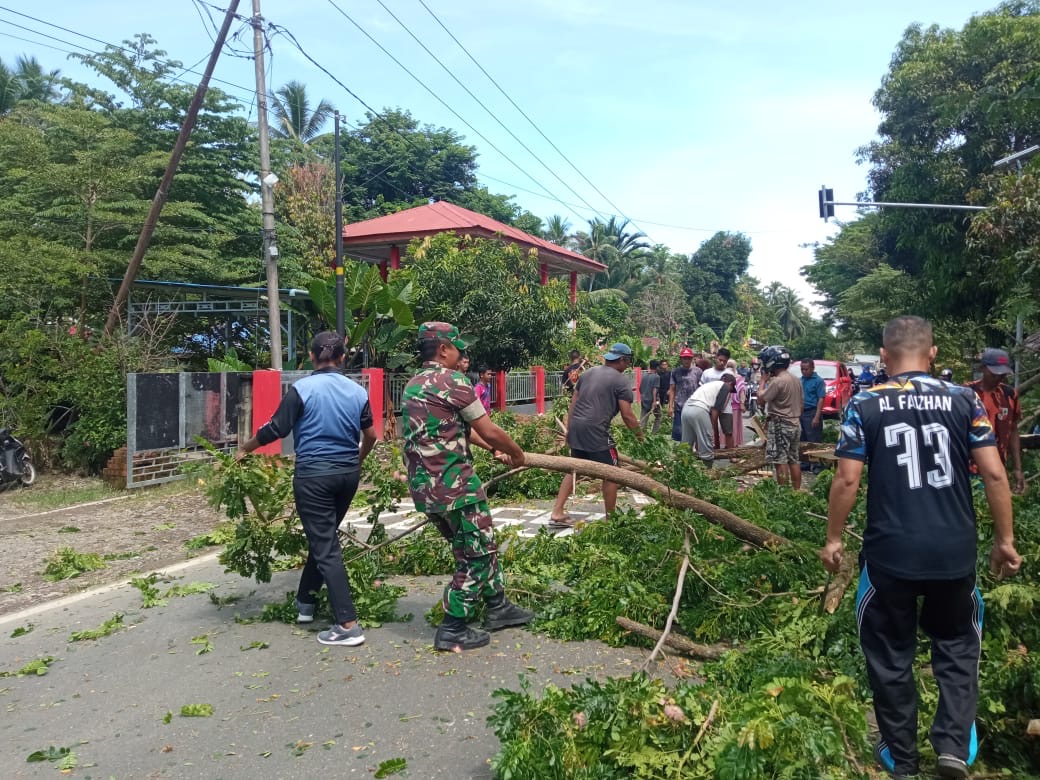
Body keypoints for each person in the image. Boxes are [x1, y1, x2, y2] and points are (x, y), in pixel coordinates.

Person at [819, 316, 1021, 780]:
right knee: (957, 644)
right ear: (932, 355)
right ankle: (952, 747)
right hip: (954, 551)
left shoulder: (865, 403)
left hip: (891, 554)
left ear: (884, 356)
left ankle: (901, 757)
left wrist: (833, 539)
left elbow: (847, 478)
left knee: (890, 653)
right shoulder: (964, 399)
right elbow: (993, 474)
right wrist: (1004, 541)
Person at [236, 331, 377, 647]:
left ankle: (347, 625)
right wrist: (357, 460)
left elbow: (276, 429)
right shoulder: (358, 391)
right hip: (346, 476)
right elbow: (371, 435)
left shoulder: (301, 389)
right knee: (323, 537)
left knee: (325, 545)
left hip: (313, 476)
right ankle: (306, 603)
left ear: (312, 357)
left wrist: (246, 448)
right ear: (341, 358)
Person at [401, 322, 534, 652]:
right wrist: (518, 454)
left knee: (476, 544)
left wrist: (493, 450)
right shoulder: (454, 381)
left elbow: (458, 427)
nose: (462, 355)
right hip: (455, 486)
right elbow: (487, 428)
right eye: (457, 348)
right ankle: (453, 627)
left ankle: (498, 605)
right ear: (444, 349)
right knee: (476, 555)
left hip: (426, 488)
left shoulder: (414, 385)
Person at [550, 342, 643, 527]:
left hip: (576, 427)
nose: (627, 365)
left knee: (574, 467)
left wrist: (569, 430)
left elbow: (573, 403)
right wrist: (641, 437)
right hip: (596, 431)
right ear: (623, 360)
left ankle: (557, 511)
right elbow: (627, 415)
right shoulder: (621, 381)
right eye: (628, 361)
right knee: (612, 473)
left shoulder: (588, 373)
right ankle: (611, 520)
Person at [967, 348, 1025, 494]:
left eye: (1003, 374)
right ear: (983, 368)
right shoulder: (966, 393)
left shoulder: (1010, 395)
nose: (999, 378)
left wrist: (1017, 468)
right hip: (968, 470)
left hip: (998, 468)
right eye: (994, 374)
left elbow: (1013, 430)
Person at [757, 345, 803, 489]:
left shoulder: (778, 381)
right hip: (795, 424)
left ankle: (783, 494)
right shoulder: (796, 379)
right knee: (794, 459)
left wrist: (763, 381)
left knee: (780, 460)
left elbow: (761, 399)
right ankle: (796, 493)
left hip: (780, 425)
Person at [681, 373, 737, 467]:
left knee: (686, 443)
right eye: (731, 389)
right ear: (730, 383)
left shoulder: (710, 385)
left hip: (686, 409)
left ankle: (682, 467)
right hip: (699, 410)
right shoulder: (725, 386)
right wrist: (711, 429)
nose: (729, 392)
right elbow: (716, 411)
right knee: (706, 443)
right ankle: (707, 472)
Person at [668, 348, 702, 441]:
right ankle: (682, 452)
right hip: (679, 406)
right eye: (684, 358)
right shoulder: (675, 372)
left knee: (694, 431)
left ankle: (694, 451)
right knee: (679, 432)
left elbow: (701, 389)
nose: (686, 360)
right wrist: (670, 407)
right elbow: (672, 389)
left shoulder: (698, 372)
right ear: (681, 359)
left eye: (688, 358)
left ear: (692, 359)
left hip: (694, 406)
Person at [702, 348, 734, 448]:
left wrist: (723, 407)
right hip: (709, 405)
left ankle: (732, 455)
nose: (722, 362)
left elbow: (730, 393)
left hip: (726, 408)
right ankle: (709, 451)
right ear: (716, 358)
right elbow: (702, 389)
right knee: (709, 429)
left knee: (728, 431)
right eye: (720, 360)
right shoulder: (707, 373)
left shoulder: (730, 374)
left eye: (724, 361)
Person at [799, 358, 827, 470]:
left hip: (812, 412)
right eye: (802, 369)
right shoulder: (801, 380)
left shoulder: (818, 381)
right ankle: (805, 462)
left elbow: (821, 399)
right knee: (803, 439)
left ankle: (816, 464)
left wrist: (816, 416)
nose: (804, 371)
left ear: (812, 368)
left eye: (806, 369)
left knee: (814, 439)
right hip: (802, 412)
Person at [726, 359, 746, 446]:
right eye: (728, 366)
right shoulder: (724, 377)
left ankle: (734, 444)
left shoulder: (739, 378)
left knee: (734, 426)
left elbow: (742, 391)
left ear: (735, 367)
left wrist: (742, 403)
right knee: (726, 426)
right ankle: (727, 444)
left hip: (735, 406)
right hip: (725, 406)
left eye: (731, 366)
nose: (730, 367)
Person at [639, 359, 662, 431]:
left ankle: (640, 434)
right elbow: (655, 390)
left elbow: (640, 388)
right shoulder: (656, 377)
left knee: (643, 418)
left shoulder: (644, 376)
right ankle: (654, 433)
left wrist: (643, 396)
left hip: (644, 400)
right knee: (659, 417)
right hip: (652, 400)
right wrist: (654, 402)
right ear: (657, 367)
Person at [654, 359, 671, 434]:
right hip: (660, 391)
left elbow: (672, 382)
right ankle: (663, 421)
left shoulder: (670, 373)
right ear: (660, 365)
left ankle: (668, 420)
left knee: (668, 405)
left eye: (665, 364)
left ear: (667, 365)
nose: (664, 366)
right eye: (663, 364)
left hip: (668, 391)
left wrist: (670, 390)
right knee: (662, 405)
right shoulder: (658, 373)